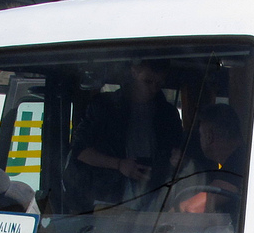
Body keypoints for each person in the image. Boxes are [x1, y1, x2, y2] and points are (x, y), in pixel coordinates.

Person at [67, 59, 183, 210]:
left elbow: (180, 151)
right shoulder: (104, 106)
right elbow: (80, 151)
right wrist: (119, 164)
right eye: (148, 81)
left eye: (159, 84)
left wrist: (177, 159)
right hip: (109, 198)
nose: (153, 89)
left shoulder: (168, 114)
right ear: (134, 72)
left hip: (155, 196)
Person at [178, 104, 245, 214]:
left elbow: (191, 208)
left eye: (200, 135)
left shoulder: (239, 163)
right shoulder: (239, 157)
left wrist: (161, 221)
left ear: (209, 137)